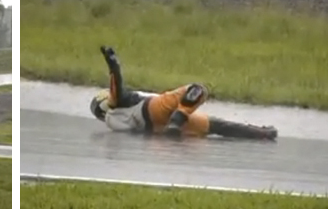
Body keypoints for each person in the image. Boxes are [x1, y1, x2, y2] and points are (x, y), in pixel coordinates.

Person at [90, 46, 277, 139]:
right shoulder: (115, 105)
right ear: (104, 102)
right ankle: (177, 120)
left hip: (157, 130)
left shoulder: (115, 123)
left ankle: (262, 134)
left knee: (215, 126)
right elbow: (116, 86)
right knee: (197, 89)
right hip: (154, 109)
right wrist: (113, 64)